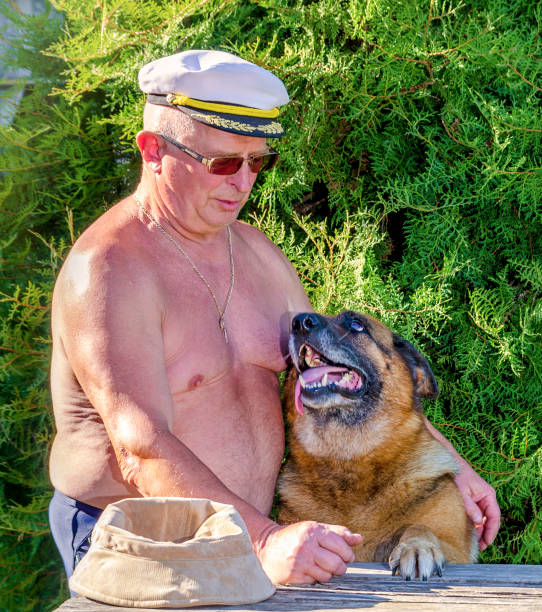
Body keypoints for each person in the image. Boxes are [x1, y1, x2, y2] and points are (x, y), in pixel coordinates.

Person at [48, 49, 500, 586]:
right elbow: (140, 446)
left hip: (257, 534)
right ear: (153, 151)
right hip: (145, 538)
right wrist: (263, 542)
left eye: (258, 162)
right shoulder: (107, 270)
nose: (243, 184)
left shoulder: (258, 252)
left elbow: (342, 369)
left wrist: (455, 466)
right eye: (222, 163)